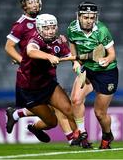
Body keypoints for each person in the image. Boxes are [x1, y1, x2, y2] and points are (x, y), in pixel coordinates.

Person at [5, 0, 74, 144]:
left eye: (37, 0)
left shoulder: (44, 20)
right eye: (30, 1)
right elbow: (9, 47)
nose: (35, 4)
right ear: (23, 5)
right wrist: (22, 59)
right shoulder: (20, 25)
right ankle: (70, 137)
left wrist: (60, 39)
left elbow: (51, 39)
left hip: (48, 72)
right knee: (50, 112)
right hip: (32, 75)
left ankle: (72, 138)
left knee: (61, 106)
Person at [11, 13, 84, 145]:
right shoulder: (34, 40)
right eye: (46, 28)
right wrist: (49, 56)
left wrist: (77, 64)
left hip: (48, 84)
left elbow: (69, 56)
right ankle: (34, 128)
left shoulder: (58, 41)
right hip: (29, 89)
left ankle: (80, 140)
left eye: (52, 27)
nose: (50, 31)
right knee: (52, 122)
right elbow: (31, 51)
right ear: (39, 28)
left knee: (69, 110)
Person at [67, 1, 118, 149]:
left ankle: (107, 135)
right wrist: (75, 63)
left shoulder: (102, 30)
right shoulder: (72, 28)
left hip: (106, 73)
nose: (89, 21)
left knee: (100, 113)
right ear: (79, 16)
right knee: (76, 100)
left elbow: (112, 55)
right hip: (87, 69)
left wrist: (106, 59)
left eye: (92, 17)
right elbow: (73, 52)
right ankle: (82, 133)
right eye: (85, 17)